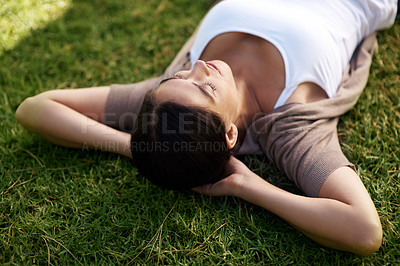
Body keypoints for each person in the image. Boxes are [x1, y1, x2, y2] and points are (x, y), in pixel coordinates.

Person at [15, 0, 397, 256]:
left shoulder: (167, 105)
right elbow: (364, 231)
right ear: (230, 134)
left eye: (182, 72)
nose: (199, 67)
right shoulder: (290, 128)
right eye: (207, 87)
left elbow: (34, 107)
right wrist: (249, 187)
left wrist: (136, 146)